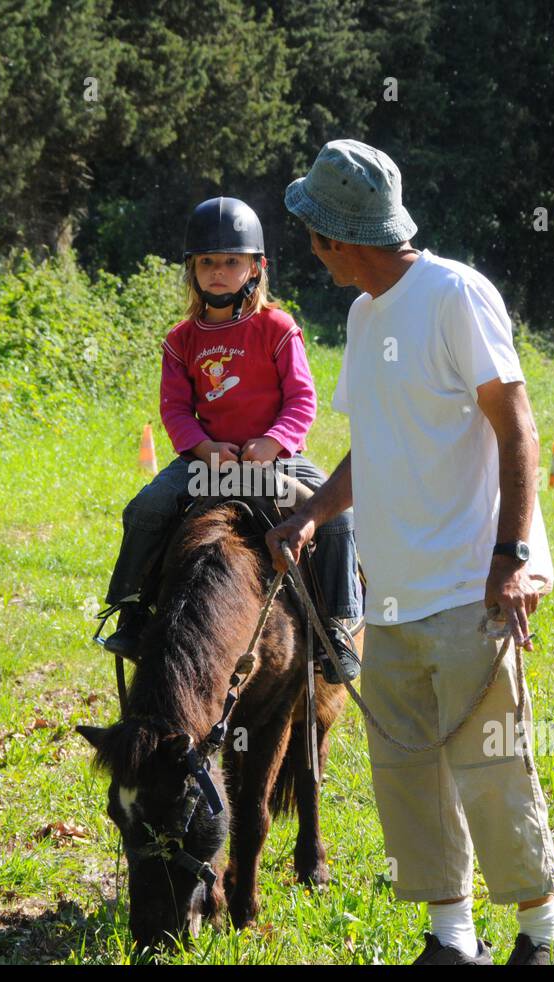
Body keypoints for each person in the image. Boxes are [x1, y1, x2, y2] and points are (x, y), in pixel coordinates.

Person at [266, 141, 554, 964]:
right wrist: (313, 510)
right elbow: (372, 445)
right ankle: (452, 942)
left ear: (342, 237)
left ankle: (543, 941)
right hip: (393, 594)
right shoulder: (365, 314)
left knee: (491, 769)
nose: (307, 248)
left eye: (313, 233)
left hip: (469, 589)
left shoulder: (455, 294)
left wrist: (512, 554)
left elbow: (518, 424)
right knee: (407, 779)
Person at [98, 196, 363, 682]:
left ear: (256, 268)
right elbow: (175, 409)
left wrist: (274, 442)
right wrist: (204, 448)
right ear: (192, 270)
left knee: (338, 515)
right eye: (207, 262)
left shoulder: (278, 329)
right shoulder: (181, 340)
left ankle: (337, 627)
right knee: (146, 508)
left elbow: (302, 400)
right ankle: (132, 611)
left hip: (276, 464)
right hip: (207, 464)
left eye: (231, 261)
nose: (218, 271)